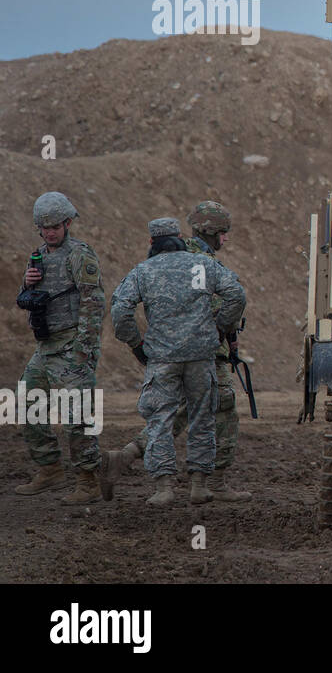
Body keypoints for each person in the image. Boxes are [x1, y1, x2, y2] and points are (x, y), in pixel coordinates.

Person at [102, 201, 251, 501]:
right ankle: (203, 485)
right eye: (222, 233)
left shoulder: (144, 269)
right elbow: (235, 295)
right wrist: (218, 330)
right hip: (202, 354)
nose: (224, 239)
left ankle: (163, 487)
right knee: (204, 416)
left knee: (163, 416)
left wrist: (137, 345)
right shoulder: (202, 263)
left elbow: (120, 310)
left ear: (151, 241)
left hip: (163, 356)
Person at [14, 192, 108, 504]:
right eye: (44, 227)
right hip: (45, 346)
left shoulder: (80, 255)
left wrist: (84, 349)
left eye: (55, 226)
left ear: (67, 223)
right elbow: (27, 299)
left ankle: (87, 481)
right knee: (27, 404)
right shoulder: (38, 256)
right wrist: (27, 283)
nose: (50, 231)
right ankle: (49, 469)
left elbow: (94, 303)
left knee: (77, 415)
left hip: (71, 344)